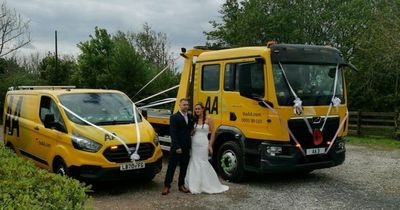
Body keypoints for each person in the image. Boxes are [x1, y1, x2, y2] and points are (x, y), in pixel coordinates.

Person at [185, 102, 229, 194]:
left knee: (203, 161)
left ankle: (207, 184)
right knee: (194, 161)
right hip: (194, 143)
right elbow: (192, 131)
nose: (197, 110)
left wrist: (210, 145)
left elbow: (213, 133)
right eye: (195, 109)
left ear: (203, 109)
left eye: (198, 109)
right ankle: (194, 184)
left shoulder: (209, 119)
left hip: (204, 143)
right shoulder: (194, 119)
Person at [162, 98, 193, 195]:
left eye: (187, 105)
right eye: (184, 105)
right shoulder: (174, 117)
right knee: (172, 167)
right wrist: (177, 147)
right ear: (180, 105)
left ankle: (181, 185)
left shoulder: (189, 116)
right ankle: (167, 186)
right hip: (177, 147)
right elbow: (173, 133)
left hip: (186, 146)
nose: (186, 106)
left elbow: (189, 129)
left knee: (184, 167)